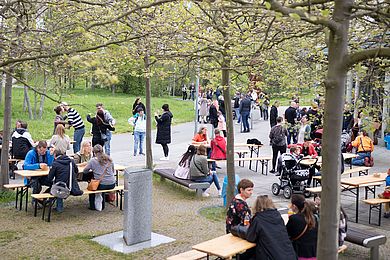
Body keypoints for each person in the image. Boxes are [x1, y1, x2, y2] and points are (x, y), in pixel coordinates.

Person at [240, 195, 297, 260]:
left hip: (271, 256)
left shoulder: (258, 219)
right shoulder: (277, 215)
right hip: (289, 254)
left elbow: (250, 237)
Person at [82, 144, 115, 211]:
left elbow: (85, 171)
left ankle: (93, 206)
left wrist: (93, 170)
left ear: (94, 152)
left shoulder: (93, 161)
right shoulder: (109, 159)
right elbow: (113, 171)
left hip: (101, 184)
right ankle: (102, 204)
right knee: (101, 183)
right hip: (112, 184)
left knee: (92, 187)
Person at [286, 194, 318, 259]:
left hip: (300, 252)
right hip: (314, 251)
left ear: (294, 206)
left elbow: (286, 234)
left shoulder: (294, 219)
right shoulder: (313, 217)